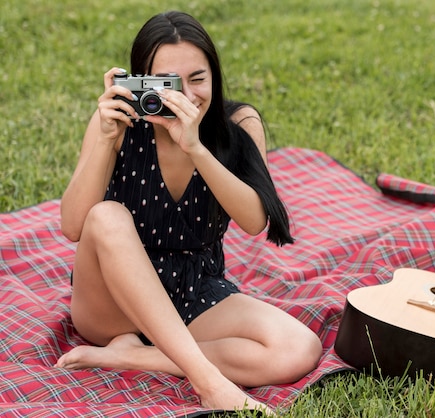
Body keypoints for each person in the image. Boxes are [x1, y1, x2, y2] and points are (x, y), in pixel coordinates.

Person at [55, 10, 323, 414]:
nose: (187, 95)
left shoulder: (237, 124)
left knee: (298, 348)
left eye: (198, 79)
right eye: (169, 83)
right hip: (111, 304)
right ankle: (209, 382)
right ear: (142, 80)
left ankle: (133, 356)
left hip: (194, 289)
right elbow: (74, 225)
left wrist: (195, 147)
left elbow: (254, 221)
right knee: (106, 215)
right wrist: (108, 141)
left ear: (214, 74)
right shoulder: (118, 122)